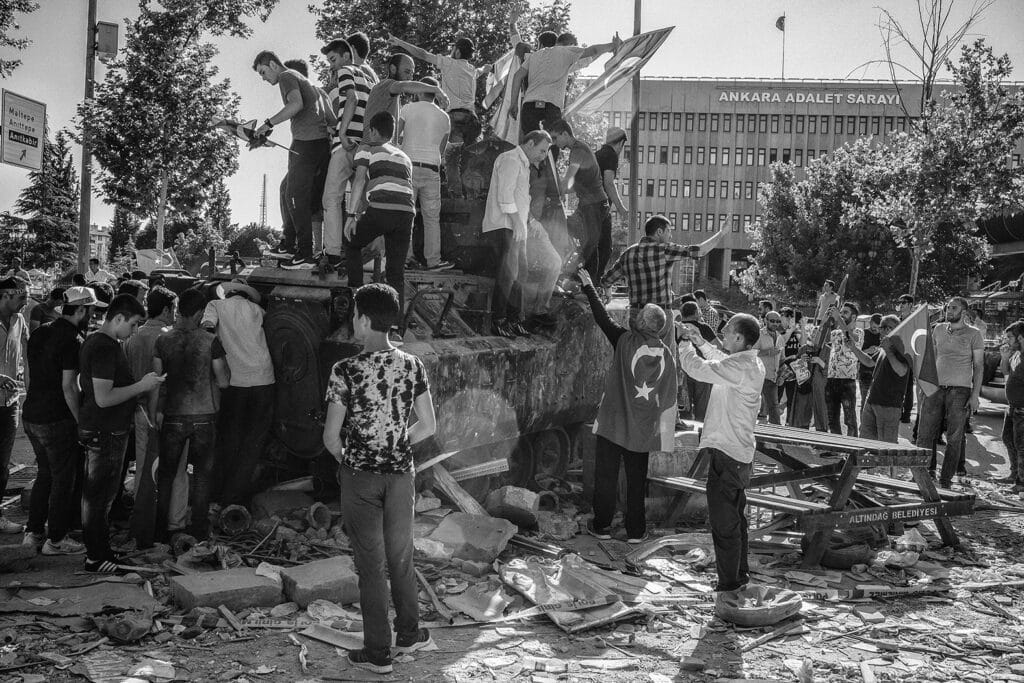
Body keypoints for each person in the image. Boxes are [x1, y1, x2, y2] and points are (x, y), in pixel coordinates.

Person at [322, 283, 437, 674]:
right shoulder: (412, 365)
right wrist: (396, 445)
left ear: (365, 320)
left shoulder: (345, 371)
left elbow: (329, 437)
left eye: (354, 314)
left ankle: (378, 654)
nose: (352, 321)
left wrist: (351, 457)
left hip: (361, 478)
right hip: (401, 475)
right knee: (401, 557)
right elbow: (428, 426)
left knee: (371, 566)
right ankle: (409, 635)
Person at [578, 267, 675, 543]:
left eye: (639, 315)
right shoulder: (666, 354)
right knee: (636, 482)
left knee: (606, 476)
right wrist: (664, 434)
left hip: (614, 423)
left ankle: (602, 526)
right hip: (642, 430)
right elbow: (669, 395)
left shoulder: (624, 342)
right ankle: (635, 531)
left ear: (642, 323)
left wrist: (589, 286)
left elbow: (602, 317)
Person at [677, 313, 764, 592]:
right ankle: (739, 574)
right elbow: (720, 359)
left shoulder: (740, 366)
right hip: (738, 452)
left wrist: (683, 344)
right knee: (736, 520)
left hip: (728, 453)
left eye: (727, 332)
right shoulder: (749, 361)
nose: (723, 335)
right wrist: (700, 341)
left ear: (739, 338)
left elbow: (699, 369)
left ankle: (729, 583)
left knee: (724, 522)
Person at [78, 294, 165, 572]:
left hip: (102, 428)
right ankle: (96, 556)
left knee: (98, 495)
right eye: (134, 324)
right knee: (99, 497)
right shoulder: (104, 347)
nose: (135, 331)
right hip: (106, 431)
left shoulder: (97, 342)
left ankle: (98, 550)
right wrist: (142, 385)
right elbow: (104, 397)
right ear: (118, 318)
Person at [22, 287, 100, 554]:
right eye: (90, 311)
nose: (92, 315)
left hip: (32, 414)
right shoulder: (73, 340)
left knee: (45, 474)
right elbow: (69, 386)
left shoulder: (41, 331)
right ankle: (56, 539)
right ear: (81, 310)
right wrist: (80, 421)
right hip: (57, 419)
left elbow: (29, 376)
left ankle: (33, 533)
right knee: (63, 479)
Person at [151, 289, 230, 542]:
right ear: (198, 313)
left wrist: (156, 414)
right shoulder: (210, 341)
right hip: (204, 416)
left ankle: (161, 531)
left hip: (173, 416)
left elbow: (157, 382)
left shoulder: (163, 341)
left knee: (167, 474)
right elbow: (224, 380)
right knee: (200, 475)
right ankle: (199, 528)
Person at [253, 51, 331, 270]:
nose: (264, 78)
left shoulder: (287, 77)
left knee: (294, 196)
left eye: (263, 72)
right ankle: (288, 244)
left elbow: (295, 105)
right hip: (318, 146)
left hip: (306, 145)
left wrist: (268, 124)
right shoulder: (314, 86)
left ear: (272, 65)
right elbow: (331, 118)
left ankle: (304, 252)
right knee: (286, 189)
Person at [202, 279, 275, 506]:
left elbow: (206, 329)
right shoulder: (257, 309)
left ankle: (220, 495)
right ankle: (237, 497)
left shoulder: (216, 305)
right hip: (264, 378)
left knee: (230, 439)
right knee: (253, 442)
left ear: (229, 294)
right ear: (247, 295)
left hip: (235, 380)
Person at [124, 286, 185, 547]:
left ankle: (142, 522)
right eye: (175, 309)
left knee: (143, 468)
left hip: (138, 411)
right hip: (165, 411)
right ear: (167, 309)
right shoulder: (168, 337)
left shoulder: (132, 337)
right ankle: (174, 524)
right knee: (176, 469)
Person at [481, 130, 554, 338]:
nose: (543, 155)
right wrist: (517, 223)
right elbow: (505, 196)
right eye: (542, 150)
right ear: (530, 143)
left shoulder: (523, 164)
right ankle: (499, 320)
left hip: (517, 225)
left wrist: (527, 221)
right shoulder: (511, 159)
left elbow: (521, 199)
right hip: (505, 225)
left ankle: (515, 319)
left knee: (521, 274)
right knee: (508, 275)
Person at [344, 112, 415, 314]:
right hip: (407, 213)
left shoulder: (367, 148)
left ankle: (357, 305)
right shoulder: (404, 157)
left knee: (351, 242)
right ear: (392, 134)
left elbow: (358, 181)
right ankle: (395, 326)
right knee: (395, 272)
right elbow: (399, 188)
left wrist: (351, 216)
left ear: (372, 131)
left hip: (382, 208)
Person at [916, 297, 984, 488]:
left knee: (954, 437)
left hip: (960, 391)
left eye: (953, 308)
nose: (948, 310)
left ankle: (946, 480)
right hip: (935, 389)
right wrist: (924, 386)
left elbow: (979, 367)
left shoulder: (974, 334)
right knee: (924, 434)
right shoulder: (938, 329)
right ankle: (924, 474)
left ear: (963, 312)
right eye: (948, 307)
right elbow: (931, 359)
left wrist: (975, 395)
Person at [601, 215, 713, 325]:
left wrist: (608, 292)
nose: (671, 236)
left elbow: (607, 280)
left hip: (637, 314)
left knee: (640, 344)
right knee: (662, 344)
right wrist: (722, 232)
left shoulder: (628, 253)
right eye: (669, 231)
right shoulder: (664, 250)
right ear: (659, 232)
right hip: (660, 314)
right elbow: (700, 251)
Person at [386, 34, 489, 153]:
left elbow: (423, 54)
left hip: (456, 119)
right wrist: (485, 69)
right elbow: (479, 72)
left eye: (453, 48)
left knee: (453, 160)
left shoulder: (449, 63)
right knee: (471, 160)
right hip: (472, 120)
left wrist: (399, 42)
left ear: (458, 52)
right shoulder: (471, 70)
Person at [320, 37, 371, 268]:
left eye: (333, 59)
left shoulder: (345, 72)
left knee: (331, 198)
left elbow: (351, 98)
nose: (331, 65)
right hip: (365, 146)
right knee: (361, 201)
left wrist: (340, 132)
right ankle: (360, 250)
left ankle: (332, 253)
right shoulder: (371, 79)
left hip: (345, 145)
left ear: (347, 55)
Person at [509, 32, 620, 136]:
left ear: (540, 44)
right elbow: (593, 51)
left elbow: (517, 76)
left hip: (529, 106)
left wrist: (513, 104)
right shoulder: (564, 52)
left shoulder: (533, 56)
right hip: (551, 106)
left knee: (531, 143)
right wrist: (612, 46)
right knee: (553, 142)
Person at [397, 77, 453, 271]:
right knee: (431, 219)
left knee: (405, 216)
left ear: (419, 91)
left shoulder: (407, 109)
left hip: (408, 167)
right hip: (432, 169)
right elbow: (442, 150)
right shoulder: (444, 117)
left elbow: (395, 137)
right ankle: (433, 261)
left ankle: (405, 258)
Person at [547, 119, 610, 283]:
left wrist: (554, 193)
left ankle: (587, 283)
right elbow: (574, 184)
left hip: (594, 205)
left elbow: (568, 180)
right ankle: (584, 281)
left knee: (589, 245)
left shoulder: (578, 150)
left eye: (555, 138)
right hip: (589, 204)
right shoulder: (578, 149)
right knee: (577, 238)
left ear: (565, 134)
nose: (554, 143)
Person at [850, 315, 908, 443]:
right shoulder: (884, 347)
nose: (878, 331)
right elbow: (869, 361)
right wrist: (853, 348)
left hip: (889, 405)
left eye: (881, 327)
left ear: (889, 329)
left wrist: (888, 350)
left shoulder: (903, 348)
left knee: (887, 447)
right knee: (866, 444)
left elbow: (902, 370)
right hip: (872, 401)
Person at [362, 54, 447, 141]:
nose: (410, 77)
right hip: (372, 150)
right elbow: (404, 86)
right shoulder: (385, 85)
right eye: (407, 72)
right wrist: (436, 89)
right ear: (393, 69)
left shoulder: (393, 94)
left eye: (412, 73)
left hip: (375, 149)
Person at [0, 278, 28, 534]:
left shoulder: (19, 321)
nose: (26, 301)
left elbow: (27, 354)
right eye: (21, 297)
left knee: (3, 463)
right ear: (6, 295)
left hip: (9, 403)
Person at [824, 302, 863, 437]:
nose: (841, 315)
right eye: (841, 312)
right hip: (832, 379)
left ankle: (851, 451)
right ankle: (836, 449)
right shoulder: (835, 332)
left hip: (847, 381)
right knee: (832, 418)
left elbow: (852, 339)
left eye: (845, 312)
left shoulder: (858, 332)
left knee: (850, 419)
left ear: (853, 317)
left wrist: (838, 319)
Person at [677, 301, 718, 420]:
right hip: (702, 370)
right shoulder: (703, 327)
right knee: (702, 406)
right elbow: (718, 346)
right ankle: (700, 432)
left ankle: (685, 431)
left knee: (684, 406)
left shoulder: (676, 327)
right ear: (696, 312)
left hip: (682, 371)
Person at [1000, 321, 1024, 492]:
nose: (1007, 340)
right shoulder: (1015, 354)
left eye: (1010, 337)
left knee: (1021, 445)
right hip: (1012, 406)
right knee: (1007, 439)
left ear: (1020, 338)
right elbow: (1006, 372)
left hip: (1022, 409)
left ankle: (1021, 484)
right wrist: (1004, 357)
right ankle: (1014, 473)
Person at [756, 311, 787, 424]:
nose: (775, 323)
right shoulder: (758, 334)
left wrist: (782, 375)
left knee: (774, 408)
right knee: (753, 406)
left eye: (778, 321)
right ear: (766, 321)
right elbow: (751, 353)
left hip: (773, 377)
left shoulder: (780, 338)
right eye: (772, 321)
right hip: (758, 376)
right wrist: (768, 352)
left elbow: (783, 359)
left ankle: (776, 436)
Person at [896, 293, 916, 423]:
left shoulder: (915, 320)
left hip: (909, 357)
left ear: (910, 305)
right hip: (896, 356)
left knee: (908, 388)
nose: (901, 305)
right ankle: (896, 410)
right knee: (895, 385)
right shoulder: (896, 320)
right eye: (900, 302)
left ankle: (906, 413)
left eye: (904, 302)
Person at [859, 314, 882, 410]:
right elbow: (856, 353)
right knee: (864, 400)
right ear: (870, 323)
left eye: (878, 328)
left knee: (878, 402)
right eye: (874, 327)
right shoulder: (863, 334)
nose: (876, 330)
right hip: (865, 371)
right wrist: (867, 351)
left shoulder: (882, 335)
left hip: (879, 371)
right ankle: (863, 424)